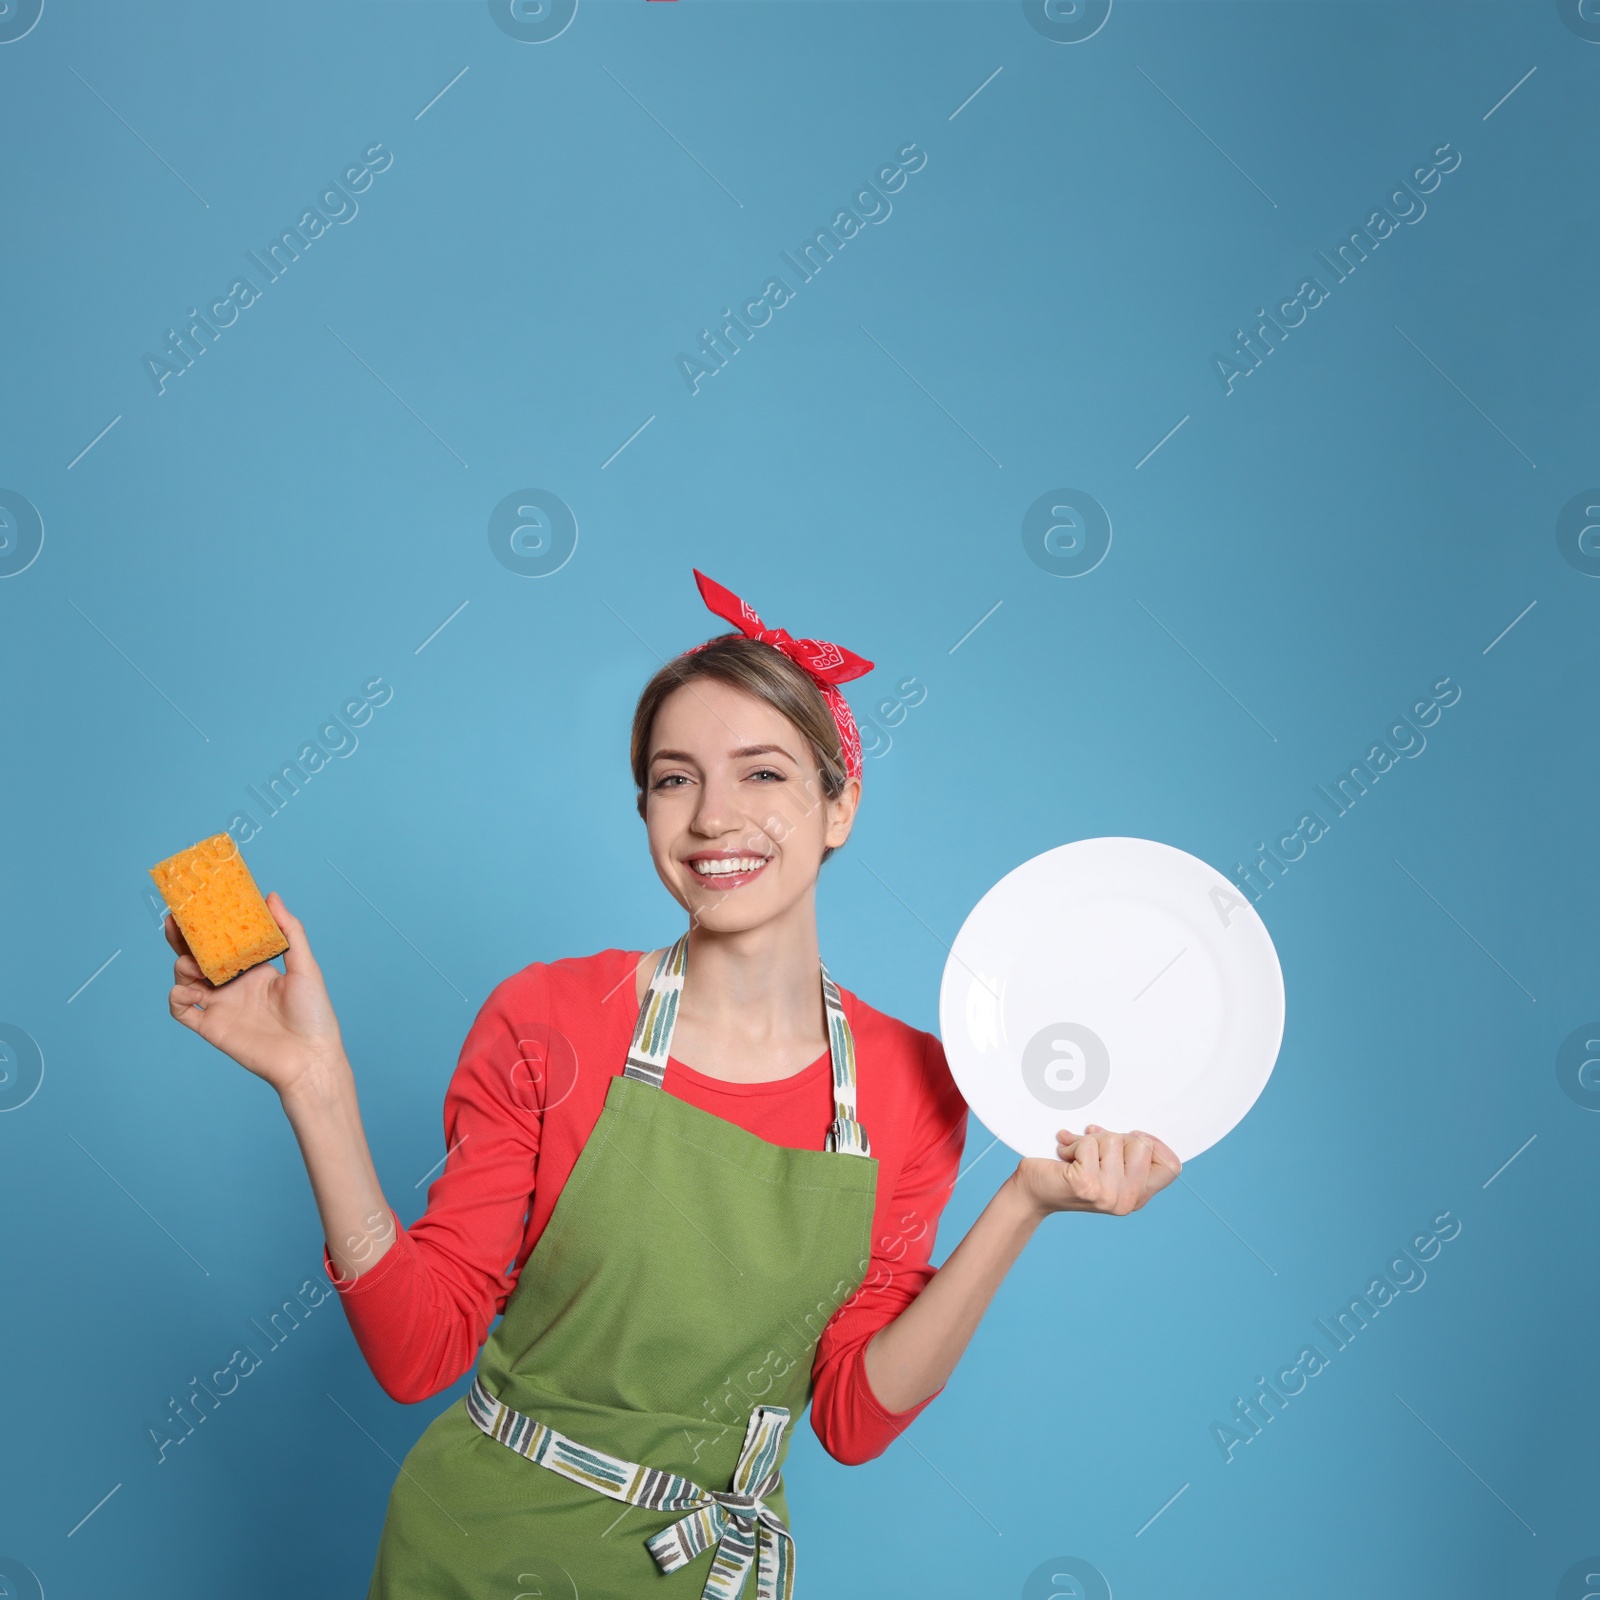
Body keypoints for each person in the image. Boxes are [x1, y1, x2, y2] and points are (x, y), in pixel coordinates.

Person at [161, 569, 1182, 1599]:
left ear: (840, 806)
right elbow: (418, 1351)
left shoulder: (914, 1085)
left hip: (708, 1572)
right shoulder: (549, 1019)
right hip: (478, 1557)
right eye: (674, 777)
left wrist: (1022, 1203)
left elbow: (853, 1418)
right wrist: (315, 1083)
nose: (713, 817)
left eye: (764, 774)